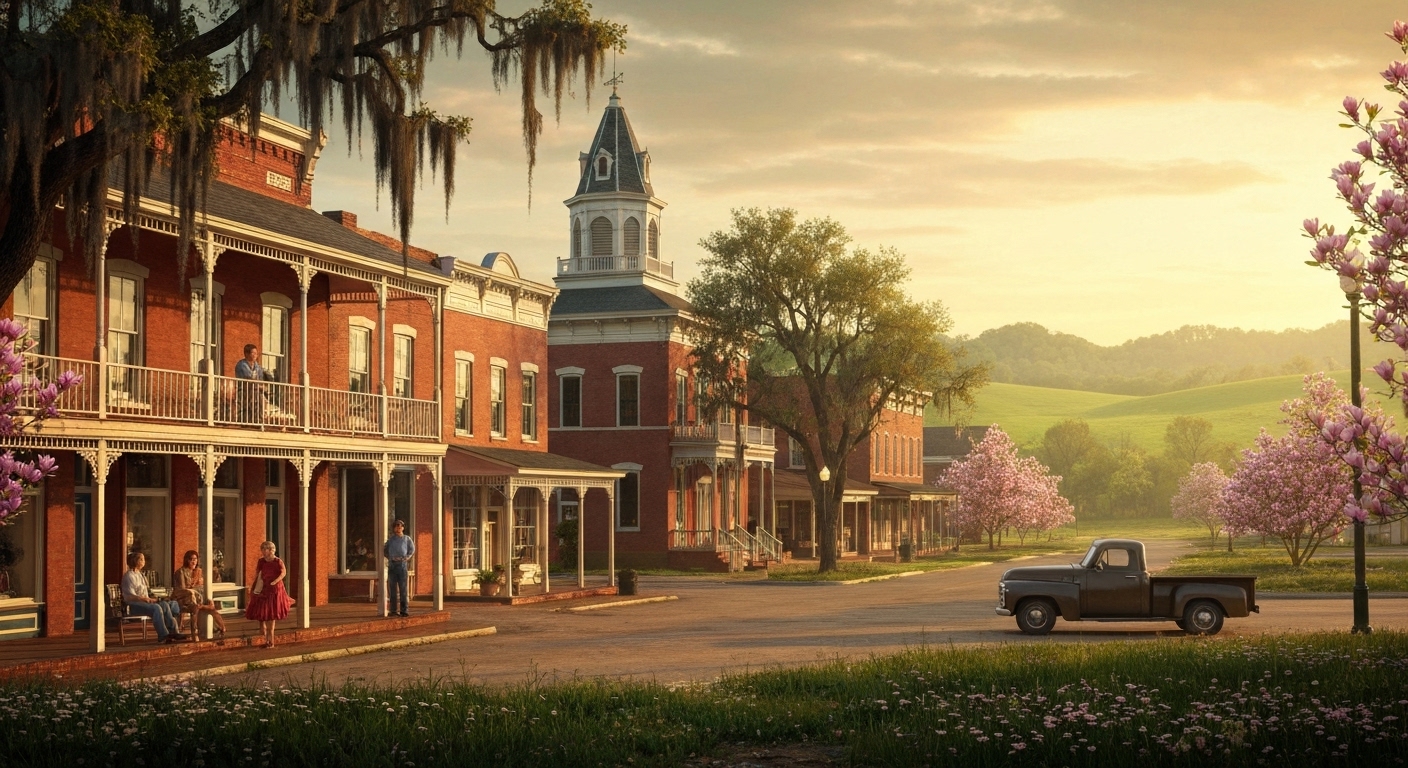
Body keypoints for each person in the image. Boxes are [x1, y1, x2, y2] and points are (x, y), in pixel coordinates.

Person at [121, 552, 186, 643]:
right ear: (135, 561)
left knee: (164, 604)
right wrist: (146, 599)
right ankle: (163, 635)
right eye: (141, 559)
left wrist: (152, 598)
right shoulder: (129, 576)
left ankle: (174, 632)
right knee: (156, 608)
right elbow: (130, 596)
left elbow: (145, 591)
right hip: (133, 605)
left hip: (144, 602)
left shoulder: (140, 574)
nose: (144, 561)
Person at [245, 540, 293, 648]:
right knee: (261, 609)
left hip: (274, 589)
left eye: (265, 549)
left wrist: (275, 581)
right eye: (262, 549)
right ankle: (264, 634)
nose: (262, 551)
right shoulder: (261, 561)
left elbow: (283, 572)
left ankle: (270, 641)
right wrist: (255, 585)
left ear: (271, 550)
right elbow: (258, 573)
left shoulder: (277, 561)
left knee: (271, 614)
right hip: (263, 587)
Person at [172, 550, 227, 640]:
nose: (194, 561)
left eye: (195, 559)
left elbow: (202, 586)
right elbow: (181, 589)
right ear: (187, 560)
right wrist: (192, 590)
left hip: (198, 597)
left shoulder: (198, 571)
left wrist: (208, 597)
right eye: (191, 559)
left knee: (210, 605)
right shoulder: (180, 572)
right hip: (183, 598)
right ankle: (197, 632)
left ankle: (222, 628)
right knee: (198, 605)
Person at [383, 519, 415, 617]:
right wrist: (390, 558)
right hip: (392, 565)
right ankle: (393, 610)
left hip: (402, 565)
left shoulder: (407, 539)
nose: (398, 528)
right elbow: (385, 550)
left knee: (403, 589)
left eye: (400, 526)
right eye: (396, 526)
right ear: (394, 528)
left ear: (403, 528)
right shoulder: (391, 540)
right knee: (392, 589)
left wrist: (406, 557)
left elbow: (412, 549)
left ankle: (404, 610)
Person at [234, 344, 270, 423]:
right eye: (253, 353)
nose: (255, 355)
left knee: (261, 400)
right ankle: (246, 422)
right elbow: (248, 378)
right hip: (244, 390)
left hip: (256, 391)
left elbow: (260, 379)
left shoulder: (257, 366)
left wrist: (261, 386)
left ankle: (259, 421)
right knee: (247, 408)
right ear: (246, 354)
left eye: (256, 353)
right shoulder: (241, 365)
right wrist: (258, 385)